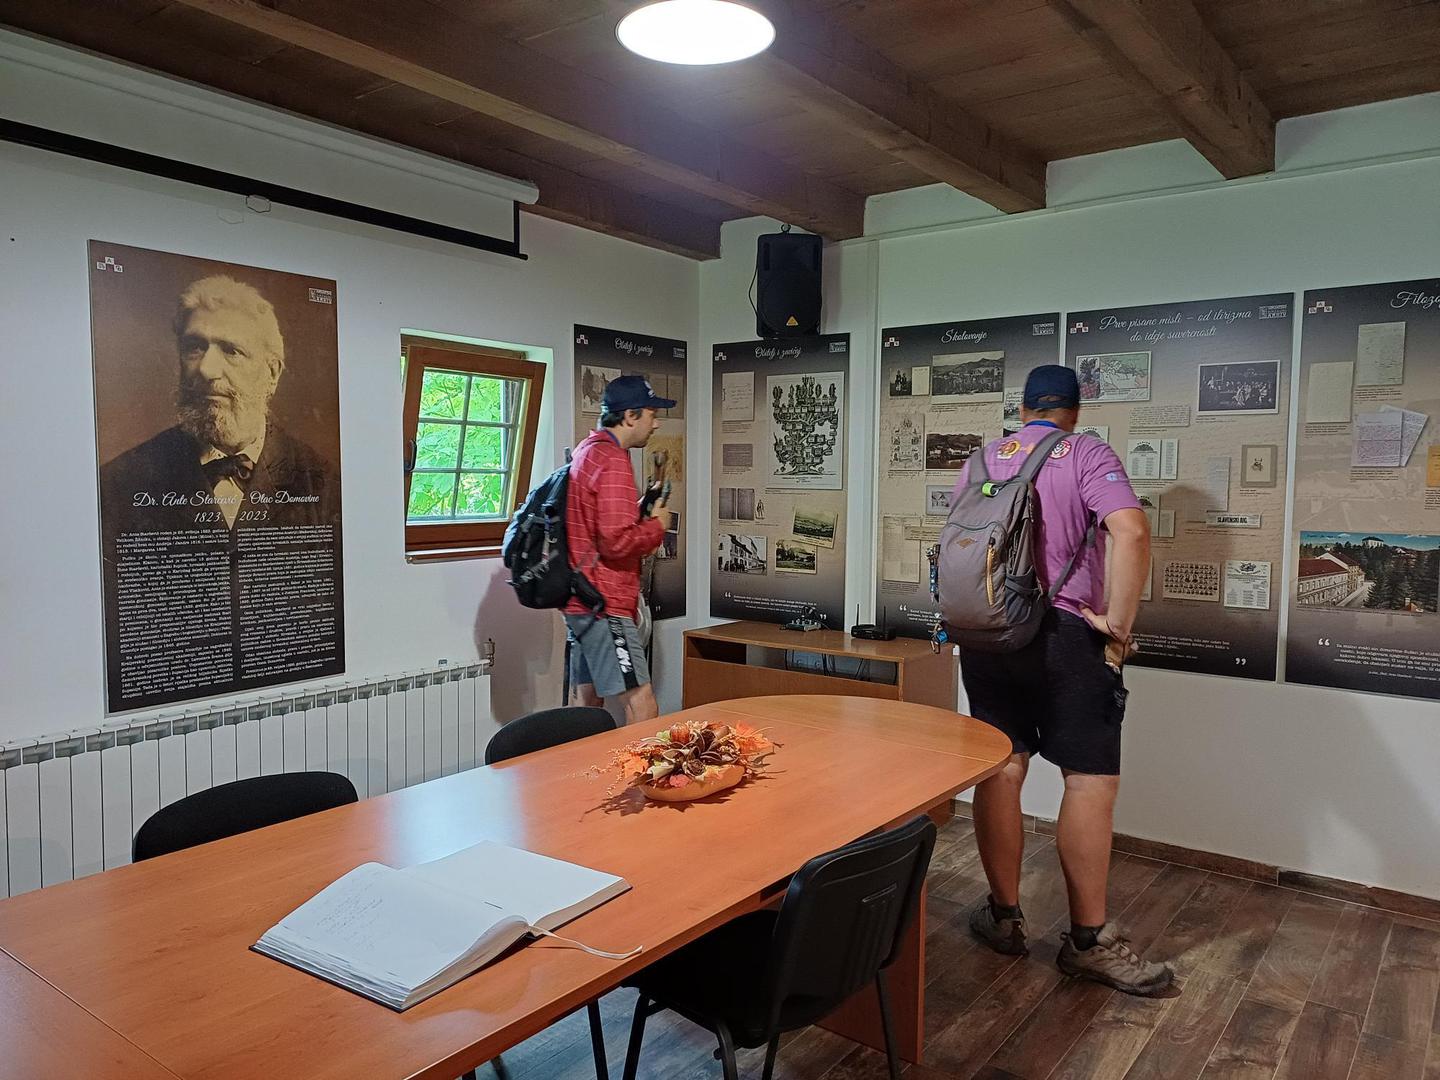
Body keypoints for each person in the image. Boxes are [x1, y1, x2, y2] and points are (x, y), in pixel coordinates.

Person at [957, 364, 1172, 996]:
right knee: (1089, 779)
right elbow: (1131, 531)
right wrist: (1119, 628)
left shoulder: (982, 459)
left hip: (987, 633)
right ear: (1074, 412)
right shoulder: (1084, 453)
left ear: (1023, 408)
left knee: (1002, 767)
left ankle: (1003, 917)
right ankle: (1088, 942)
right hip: (1064, 634)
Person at [100, 275, 337, 533]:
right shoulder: (119, 482)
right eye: (194, 347)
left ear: (272, 373)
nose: (206, 369)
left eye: (231, 350)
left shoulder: (324, 484)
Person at [565, 375, 673, 726]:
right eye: (651, 415)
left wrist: (640, 509)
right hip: (605, 604)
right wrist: (658, 526)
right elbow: (615, 542)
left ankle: (580, 763)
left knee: (585, 703)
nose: (655, 424)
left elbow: (598, 525)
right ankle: (641, 765)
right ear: (630, 416)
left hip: (581, 599)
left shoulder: (587, 450)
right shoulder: (612, 459)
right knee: (643, 706)